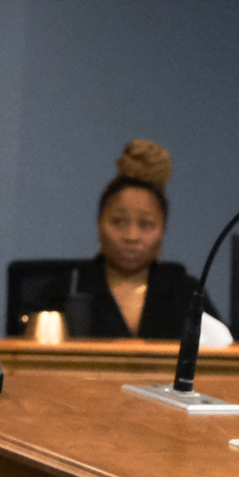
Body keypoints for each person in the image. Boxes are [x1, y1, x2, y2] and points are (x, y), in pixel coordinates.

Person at [46, 140, 215, 340]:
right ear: (99, 224)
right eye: (118, 222)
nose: (132, 236)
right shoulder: (64, 291)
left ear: (163, 230)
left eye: (146, 225)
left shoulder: (187, 293)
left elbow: (223, 355)